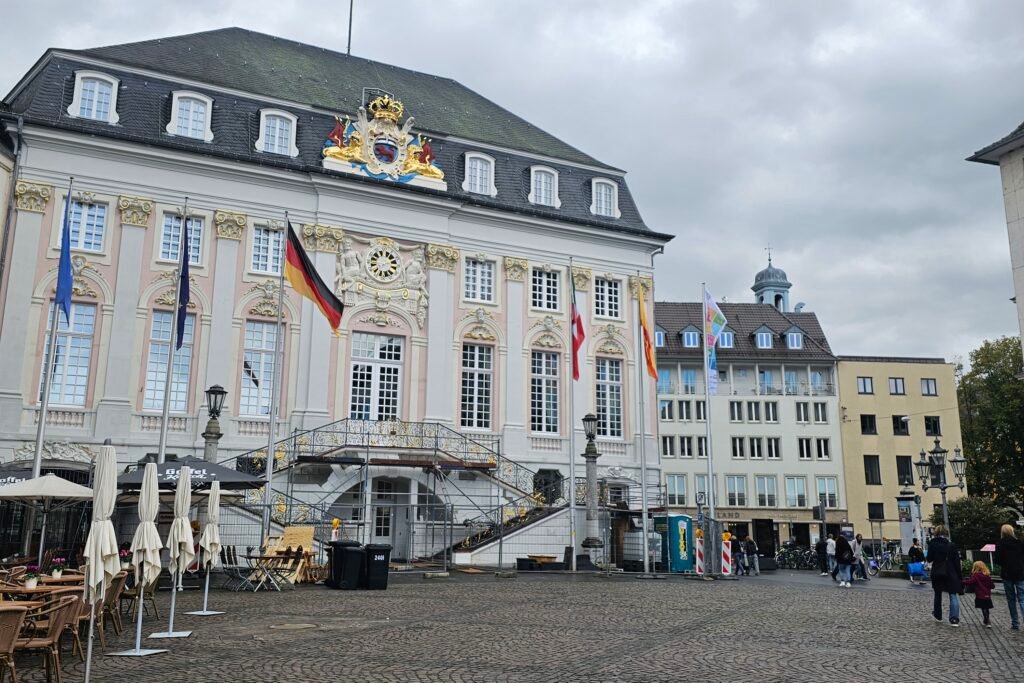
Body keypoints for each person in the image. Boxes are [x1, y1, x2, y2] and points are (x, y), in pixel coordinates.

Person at [927, 525, 964, 626]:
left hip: (938, 571)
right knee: (953, 594)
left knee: (937, 593)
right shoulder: (951, 545)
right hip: (950, 572)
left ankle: (938, 614)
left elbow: (929, 558)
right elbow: (957, 562)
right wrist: (959, 575)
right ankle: (954, 618)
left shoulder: (932, 544)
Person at [994, 523, 1024, 631]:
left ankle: (1015, 623)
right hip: (1020, 573)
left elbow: (997, 560)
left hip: (1007, 574)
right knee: (1022, 598)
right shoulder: (1019, 543)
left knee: (1011, 599)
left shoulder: (1000, 544)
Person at [962, 561, 996, 628]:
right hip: (987, 594)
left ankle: (987, 620)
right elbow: (992, 586)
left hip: (980, 594)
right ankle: (987, 620)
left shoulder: (976, 575)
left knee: (983, 607)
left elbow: (970, 582)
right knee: (986, 608)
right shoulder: (987, 575)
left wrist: (962, 582)